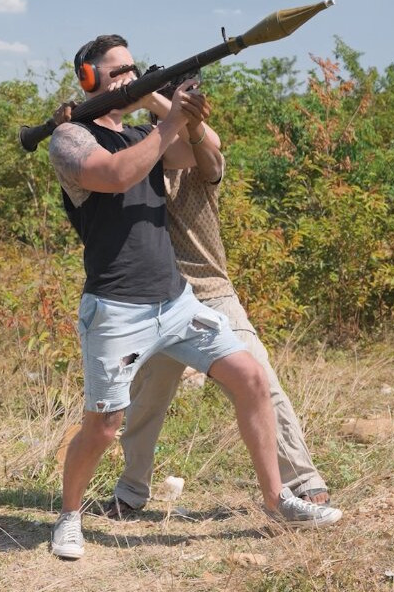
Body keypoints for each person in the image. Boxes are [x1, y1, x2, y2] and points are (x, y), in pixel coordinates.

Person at [48, 35, 341, 559]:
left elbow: (197, 150)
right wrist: (165, 117)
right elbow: (115, 175)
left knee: (252, 377)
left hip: (177, 298)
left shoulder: (143, 131)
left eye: (133, 69)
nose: (128, 77)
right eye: (117, 72)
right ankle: (71, 516)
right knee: (105, 427)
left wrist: (176, 107)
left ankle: (279, 499)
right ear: (89, 80)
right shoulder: (69, 137)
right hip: (117, 305)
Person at [105, 87, 339, 518]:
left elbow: (209, 149)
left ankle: (302, 482)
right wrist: (155, 109)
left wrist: (159, 100)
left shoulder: (202, 165)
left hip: (213, 293)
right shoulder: (141, 166)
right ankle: (131, 491)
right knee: (144, 401)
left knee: (262, 381)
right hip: (160, 298)